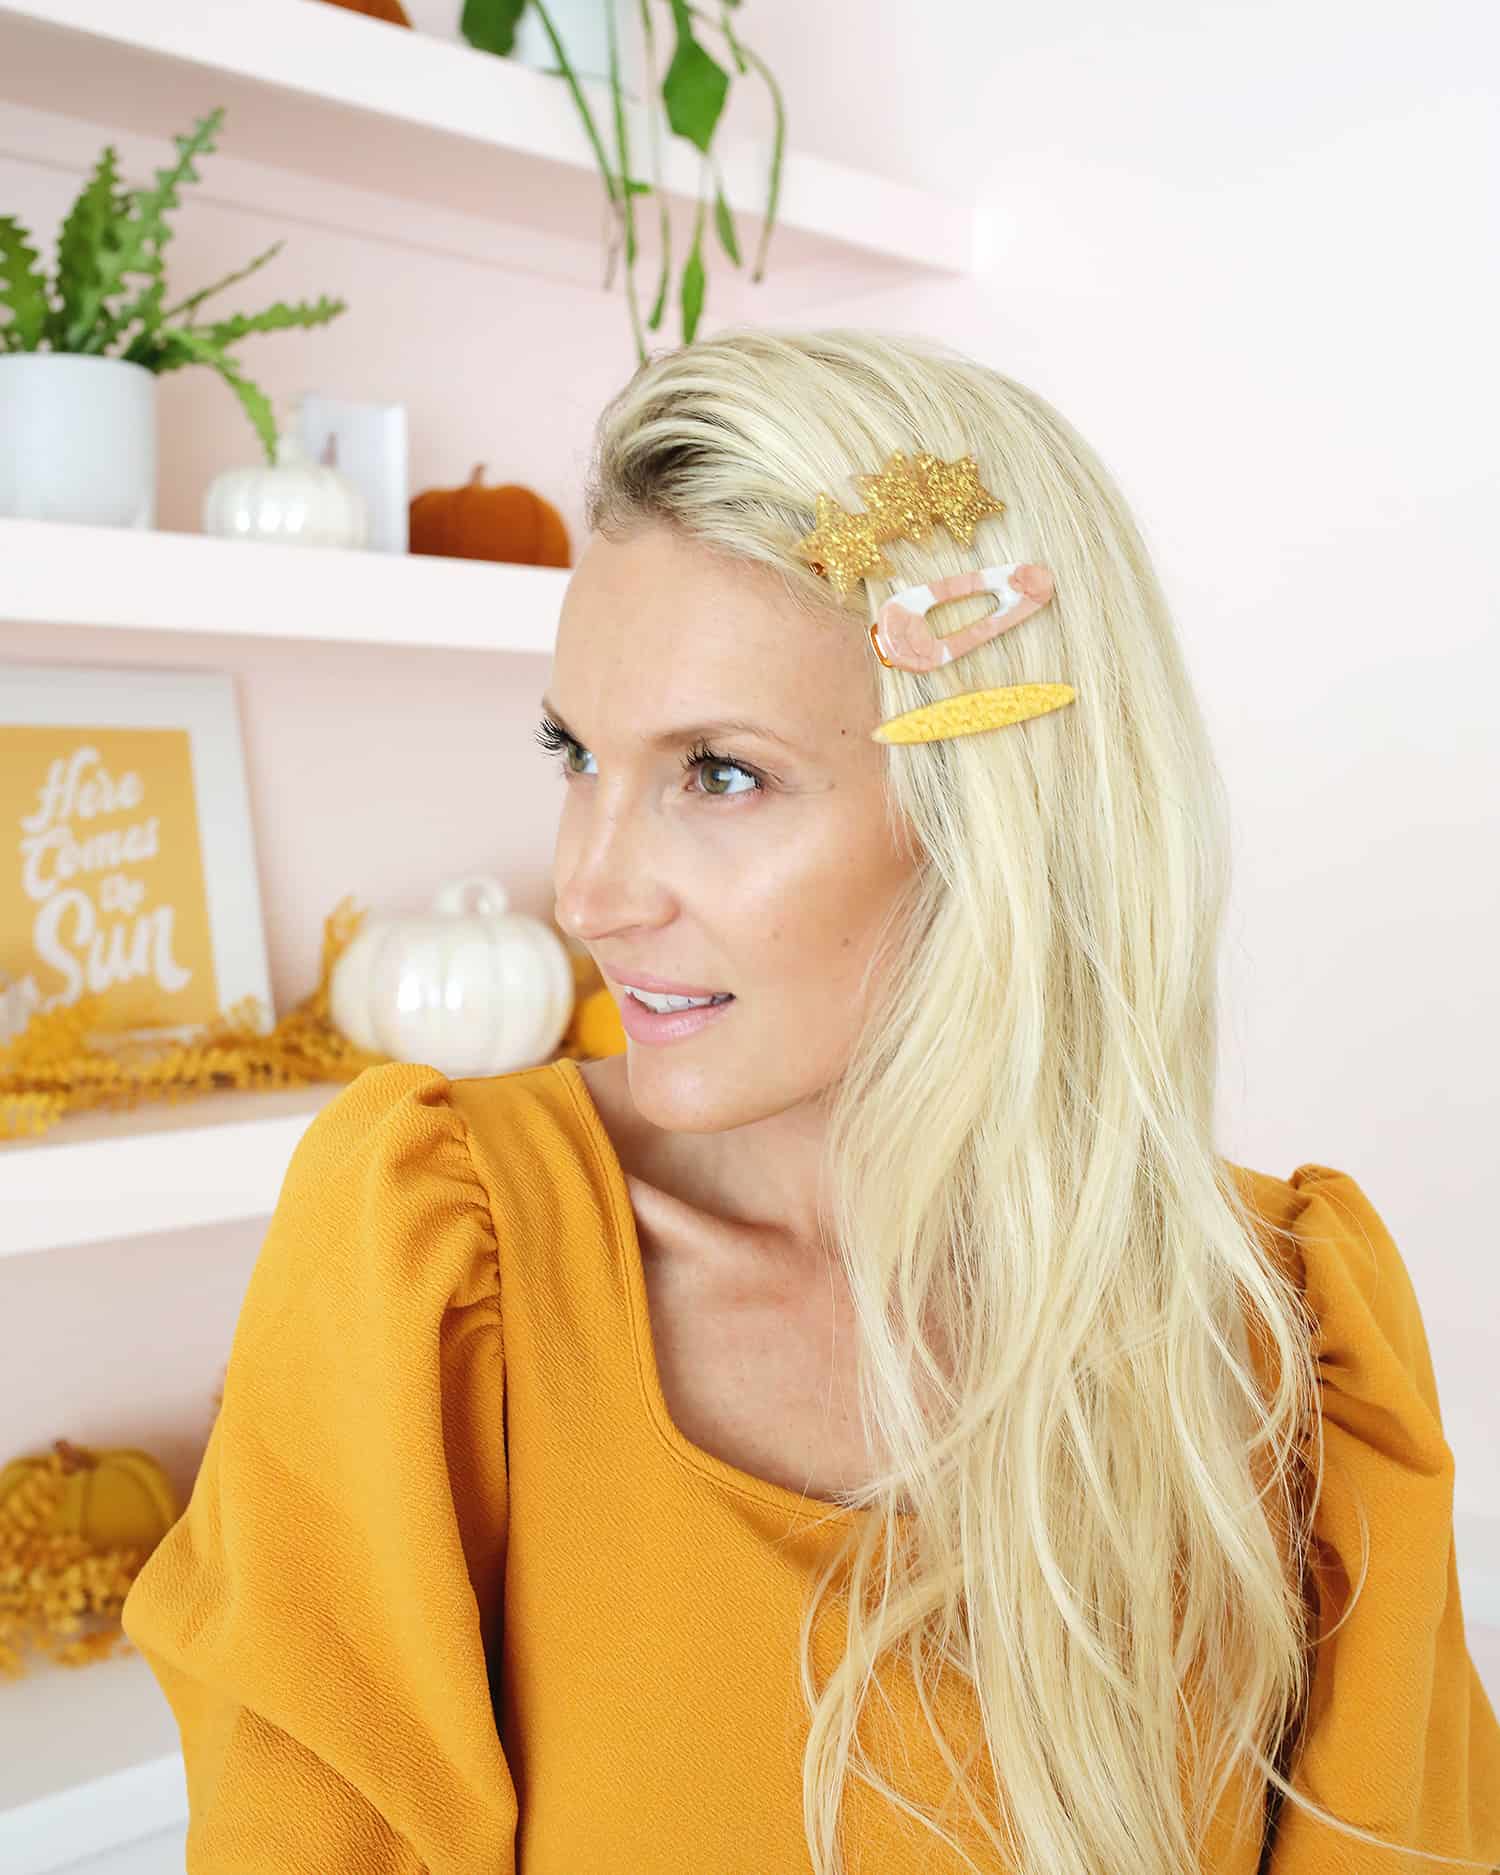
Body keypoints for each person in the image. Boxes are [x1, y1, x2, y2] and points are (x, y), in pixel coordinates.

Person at [121, 326, 1500, 1874]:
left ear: (998, 817)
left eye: (719, 774)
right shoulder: (445, 1260)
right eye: (576, 752)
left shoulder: (1284, 1331)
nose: (588, 889)